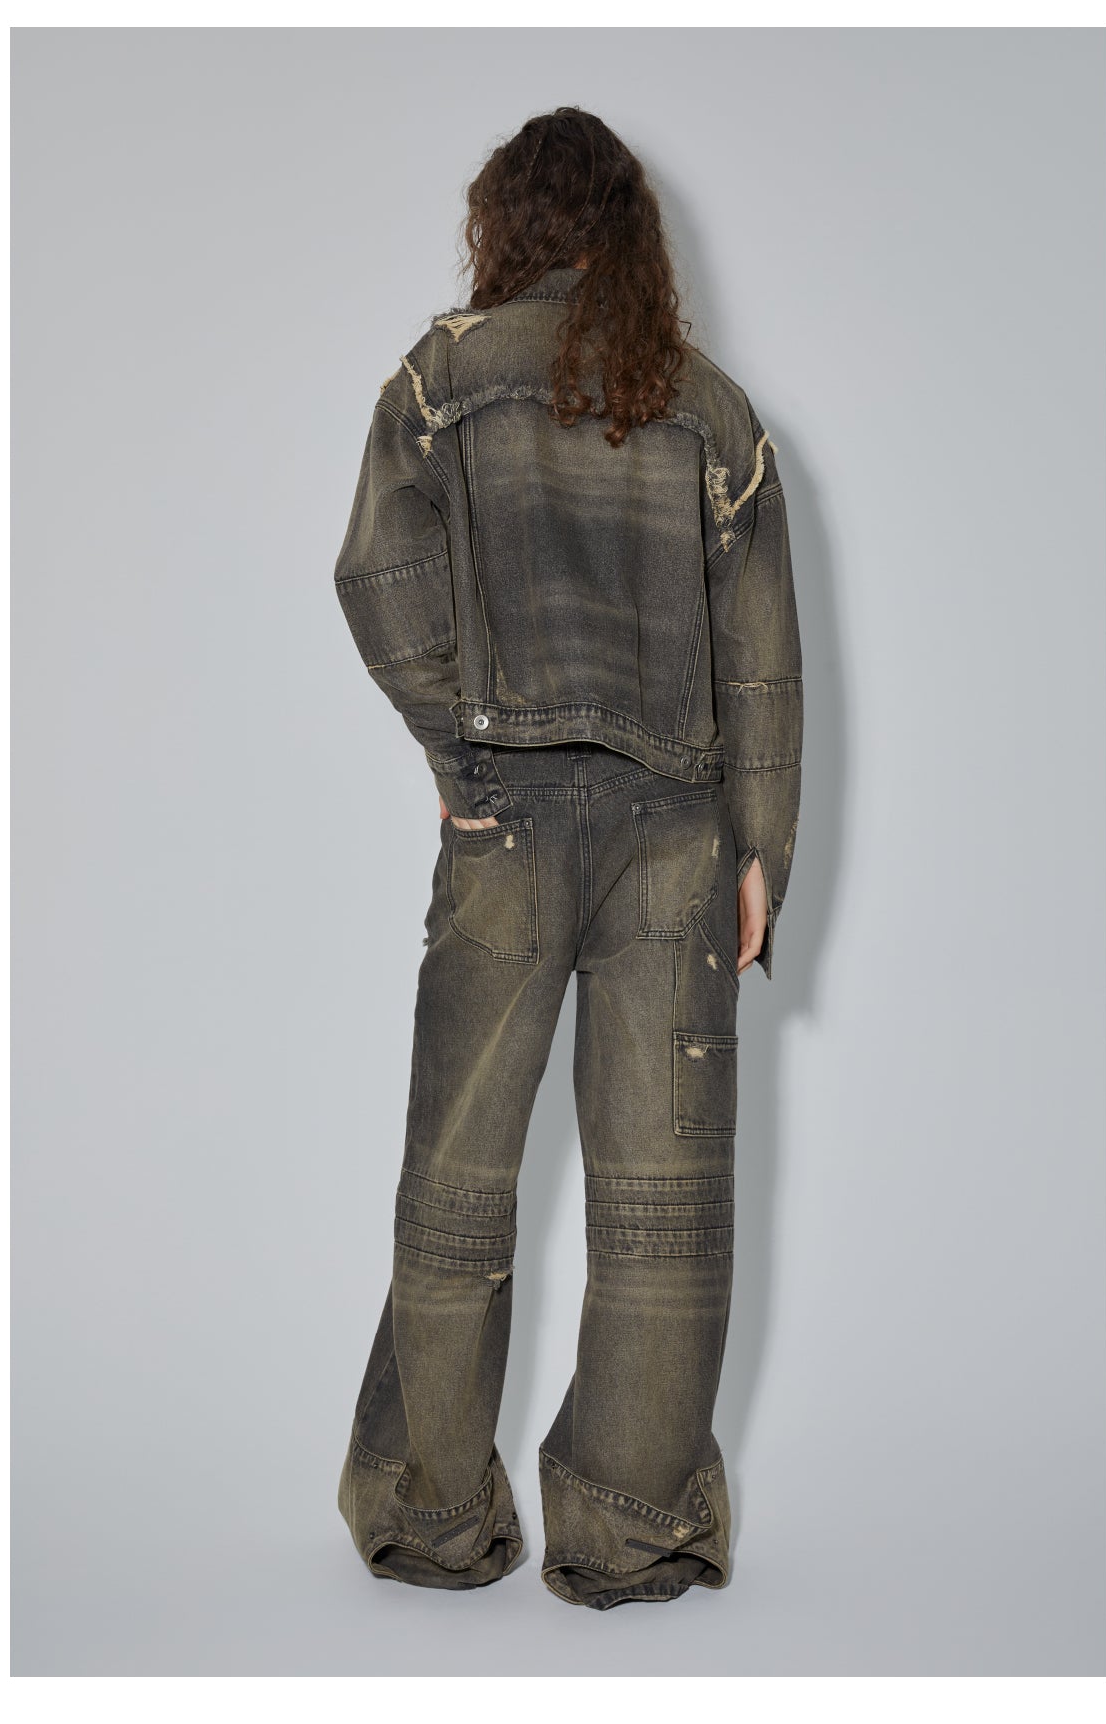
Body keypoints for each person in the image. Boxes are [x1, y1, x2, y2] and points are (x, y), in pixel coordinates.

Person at [331, 106, 803, 1610]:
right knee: (665, 1199)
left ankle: (430, 1517)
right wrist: (762, 854)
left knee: (458, 1182)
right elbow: (763, 660)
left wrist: (458, 751)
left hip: (507, 834)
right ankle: (632, 1528)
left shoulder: (445, 376)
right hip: (678, 844)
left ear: (508, 224)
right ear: (633, 235)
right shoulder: (710, 410)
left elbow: (376, 573)